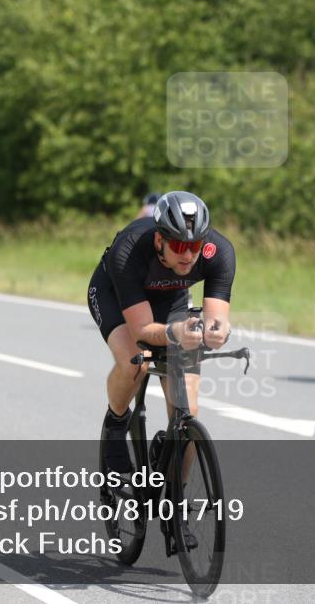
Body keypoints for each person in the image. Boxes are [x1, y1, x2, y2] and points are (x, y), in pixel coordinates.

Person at [88, 191, 235, 476]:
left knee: (188, 410)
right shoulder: (129, 249)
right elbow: (142, 330)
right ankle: (115, 423)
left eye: (194, 245)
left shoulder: (219, 252)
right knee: (136, 360)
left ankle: (174, 493)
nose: (188, 255)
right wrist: (176, 333)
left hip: (170, 300)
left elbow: (217, 317)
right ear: (159, 240)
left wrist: (217, 330)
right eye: (178, 246)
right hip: (116, 295)